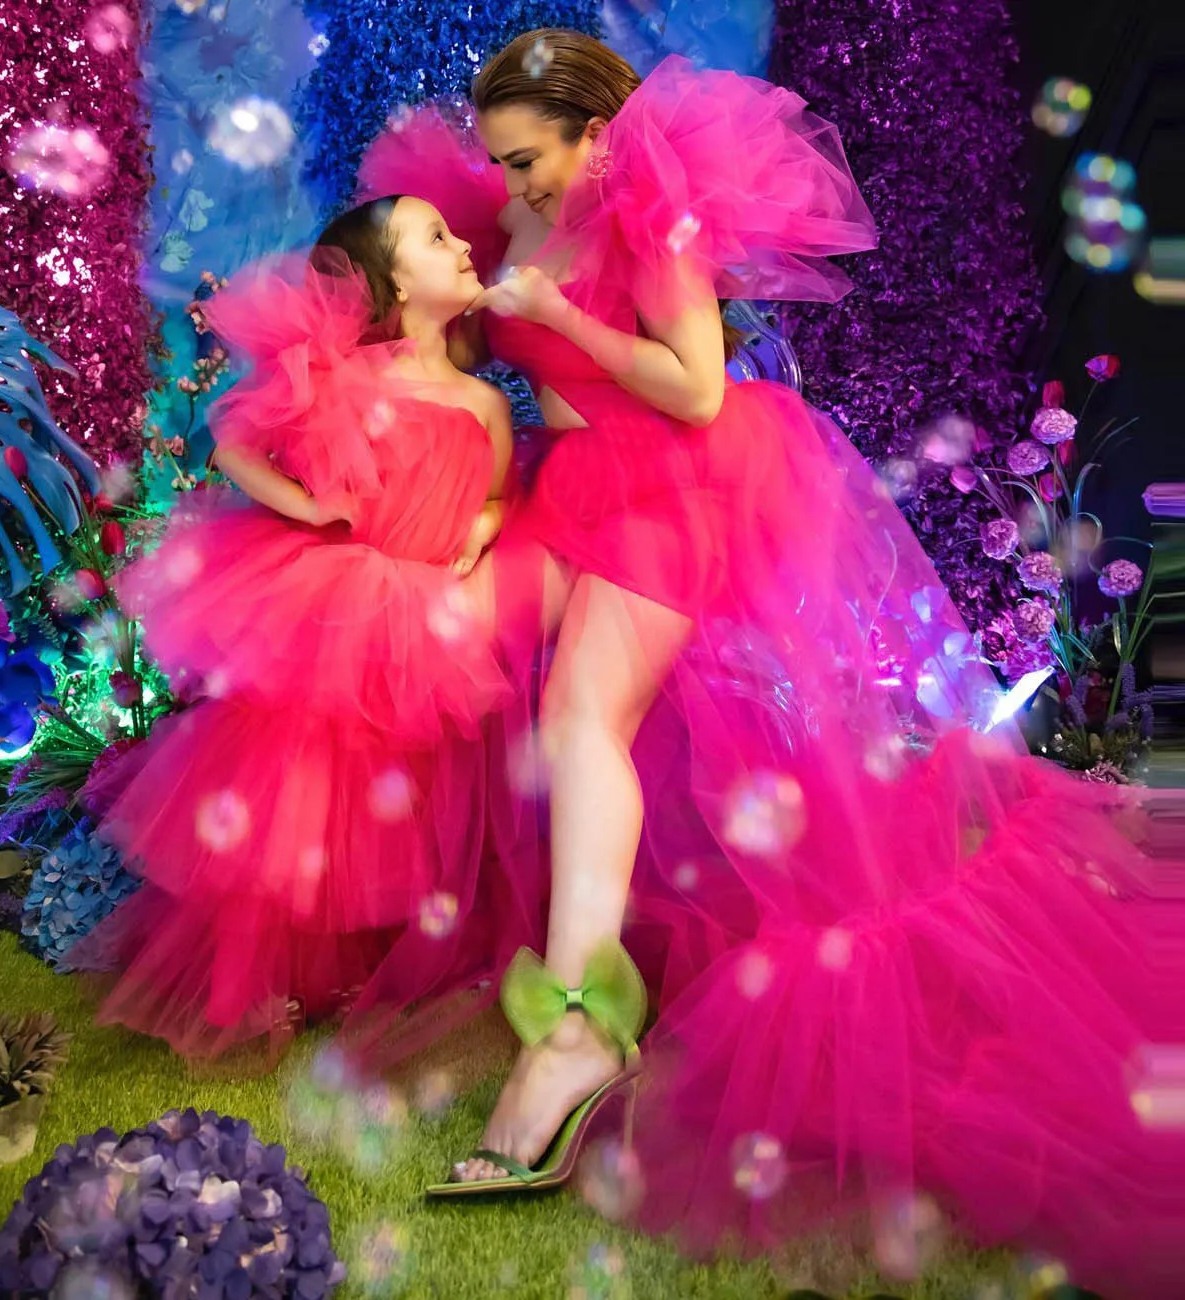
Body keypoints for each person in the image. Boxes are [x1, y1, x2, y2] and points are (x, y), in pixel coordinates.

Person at [355, 29, 1176, 1294]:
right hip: (573, 490)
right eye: (500, 162)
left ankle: (577, 1031)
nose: (512, 184)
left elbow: (695, 393)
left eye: (529, 158)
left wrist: (558, 309)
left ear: (592, 134)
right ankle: (568, 960)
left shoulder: (648, 225)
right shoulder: (514, 222)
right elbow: (459, 323)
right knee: (532, 710)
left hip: (678, 480)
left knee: (582, 719)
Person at [83, 196, 514, 1060]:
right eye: (436, 237)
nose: (463, 242)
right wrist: (308, 507)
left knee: (402, 794)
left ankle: (373, 964)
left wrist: (485, 525)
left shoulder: (483, 402)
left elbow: (496, 491)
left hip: (426, 613)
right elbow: (233, 438)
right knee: (308, 789)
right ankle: (267, 973)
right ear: (388, 284)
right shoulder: (348, 377)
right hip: (341, 600)